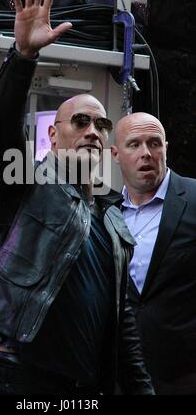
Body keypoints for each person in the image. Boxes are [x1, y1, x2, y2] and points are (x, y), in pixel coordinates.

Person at [0, 0, 154, 395]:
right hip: (23, 381)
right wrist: (22, 57)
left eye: (102, 124)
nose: (93, 129)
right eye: (81, 121)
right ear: (53, 136)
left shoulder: (114, 223)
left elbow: (125, 334)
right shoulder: (29, 190)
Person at [111, 111, 196, 395]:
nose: (146, 153)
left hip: (184, 376)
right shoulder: (104, 212)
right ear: (116, 154)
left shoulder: (193, 198)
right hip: (120, 377)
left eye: (154, 143)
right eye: (134, 144)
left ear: (166, 148)